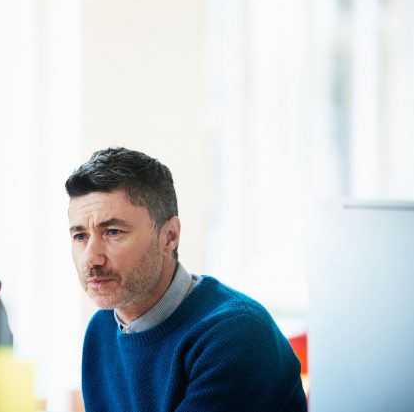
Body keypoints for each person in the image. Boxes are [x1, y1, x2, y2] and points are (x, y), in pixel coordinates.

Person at [65, 147, 307, 412]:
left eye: (113, 232)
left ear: (169, 236)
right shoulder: (102, 329)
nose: (91, 258)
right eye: (80, 236)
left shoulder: (235, 335)